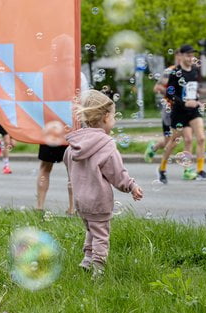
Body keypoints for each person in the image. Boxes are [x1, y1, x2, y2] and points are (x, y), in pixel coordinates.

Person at [63, 90, 143, 278]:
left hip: (81, 201)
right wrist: (131, 186)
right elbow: (117, 174)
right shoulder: (106, 145)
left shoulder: (75, 144)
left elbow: (69, 165)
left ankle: (87, 260)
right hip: (99, 201)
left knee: (91, 229)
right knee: (101, 235)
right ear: (106, 117)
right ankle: (98, 271)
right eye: (113, 116)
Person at [157, 44, 206, 184]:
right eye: (187, 55)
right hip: (179, 111)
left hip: (193, 110)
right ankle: (162, 168)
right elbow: (170, 93)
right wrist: (184, 102)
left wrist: (197, 101)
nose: (190, 58)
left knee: (201, 138)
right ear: (181, 56)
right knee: (178, 141)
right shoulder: (175, 73)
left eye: (192, 55)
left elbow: (194, 90)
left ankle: (199, 170)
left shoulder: (194, 71)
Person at [36, 72, 89, 213]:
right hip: (72, 125)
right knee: (72, 169)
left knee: (45, 167)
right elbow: (84, 100)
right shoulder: (78, 74)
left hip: (50, 125)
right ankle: (72, 208)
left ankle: (40, 206)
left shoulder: (46, 74)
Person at [145, 49, 195, 174]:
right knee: (169, 140)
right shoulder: (170, 71)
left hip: (184, 109)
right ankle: (154, 147)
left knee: (188, 139)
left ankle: (187, 169)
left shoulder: (189, 70)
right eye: (179, 55)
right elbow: (157, 87)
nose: (181, 58)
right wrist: (171, 93)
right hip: (170, 109)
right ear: (176, 56)